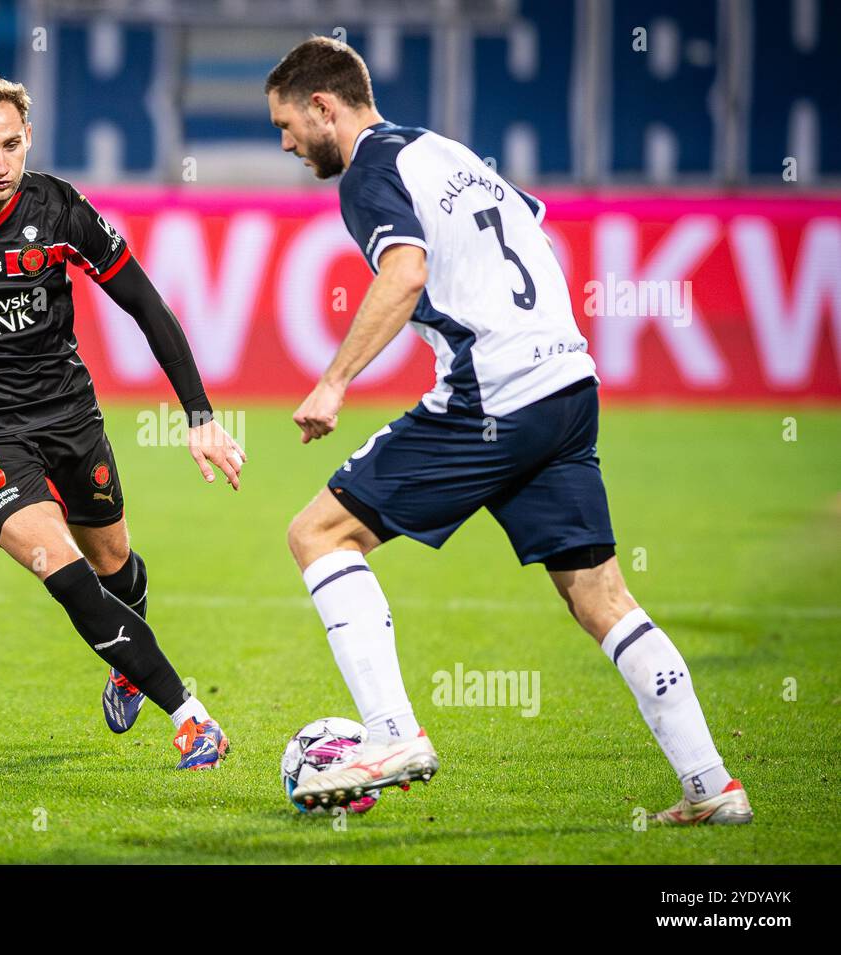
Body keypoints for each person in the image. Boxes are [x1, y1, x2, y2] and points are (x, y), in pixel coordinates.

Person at [265, 37, 751, 825]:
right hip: (567, 384)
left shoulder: (369, 170)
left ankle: (389, 734)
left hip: (495, 396)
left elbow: (407, 271)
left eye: (287, 123)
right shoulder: (447, 152)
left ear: (325, 106)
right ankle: (711, 784)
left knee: (318, 533)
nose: (285, 142)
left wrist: (333, 382)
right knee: (601, 595)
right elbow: (532, 225)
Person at [0, 73, 244, 769]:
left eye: (12, 144)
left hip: (67, 416)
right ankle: (191, 718)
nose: (1, 163)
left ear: (28, 137)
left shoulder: (59, 209)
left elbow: (146, 303)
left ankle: (127, 663)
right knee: (61, 568)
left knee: (111, 563)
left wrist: (200, 415)